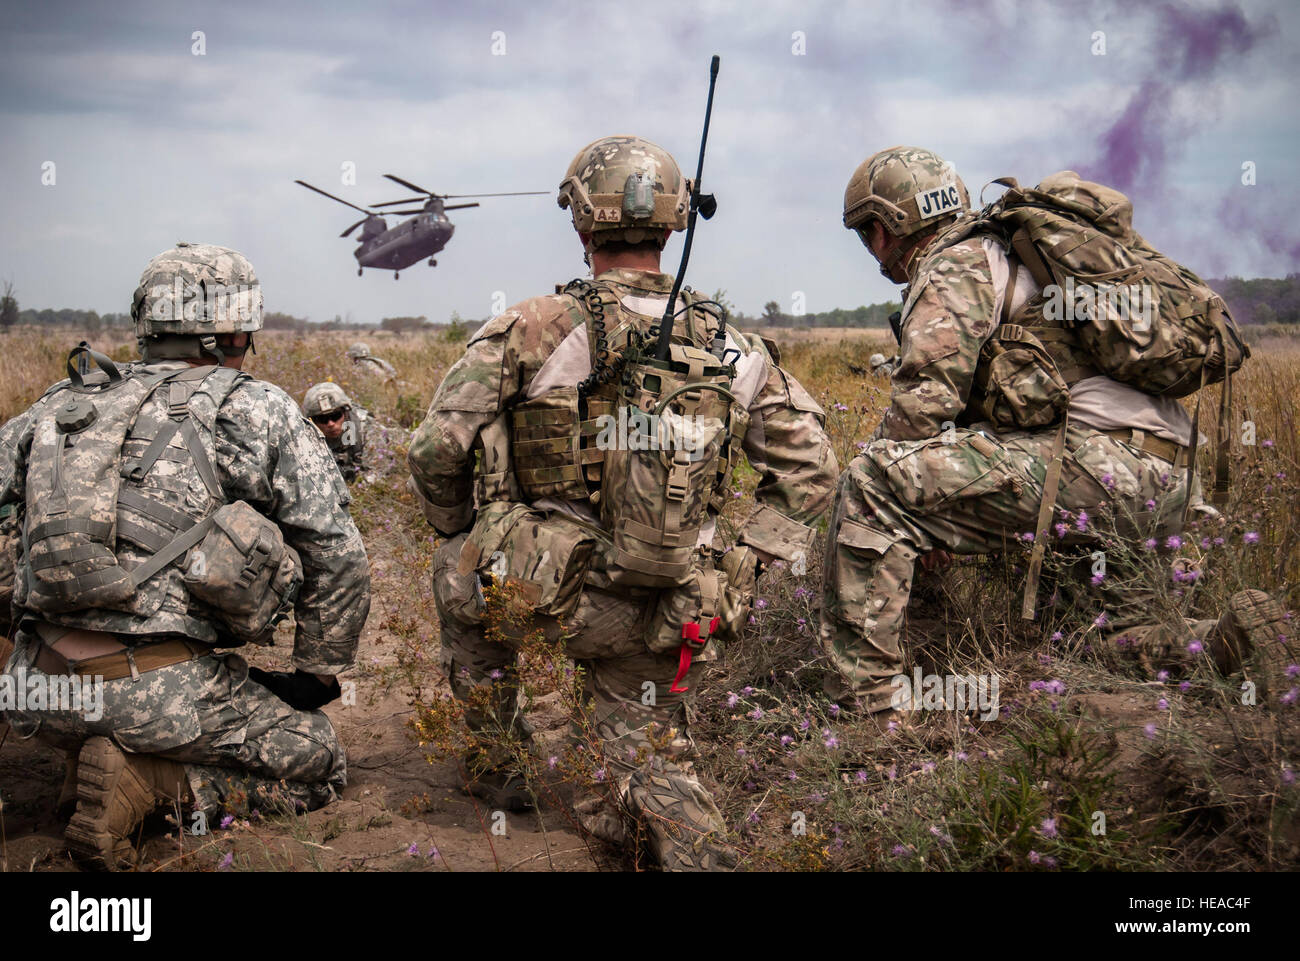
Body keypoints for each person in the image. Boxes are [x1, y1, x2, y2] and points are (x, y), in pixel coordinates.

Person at [408, 135, 837, 870]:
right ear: (673, 228)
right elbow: (815, 471)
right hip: (678, 605)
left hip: (552, 598)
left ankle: (499, 765)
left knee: (456, 566)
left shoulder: (532, 328)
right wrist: (742, 566)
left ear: (581, 227)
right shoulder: (734, 344)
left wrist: (467, 532)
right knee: (652, 758)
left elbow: (435, 452)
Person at [819, 146, 1287, 717]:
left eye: (870, 232)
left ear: (891, 224)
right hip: (1166, 479)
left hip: (1101, 469)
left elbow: (920, 411)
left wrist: (911, 507)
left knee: (873, 483)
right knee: (1097, 639)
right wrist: (932, 508)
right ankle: (1223, 641)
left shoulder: (956, 263)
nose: (873, 252)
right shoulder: (1014, 254)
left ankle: (870, 710)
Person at [0, 242, 370, 870]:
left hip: (32, 691)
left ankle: (83, 759)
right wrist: (316, 670)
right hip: (156, 691)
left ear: (147, 322)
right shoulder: (254, 407)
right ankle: (153, 788)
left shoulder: (61, 403)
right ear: (229, 329)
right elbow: (338, 554)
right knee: (320, 762)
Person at [302, 382, 370, 483]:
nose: (331, 424)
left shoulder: (365, 429)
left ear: (346, 412)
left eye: (335, 416)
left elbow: (377, 477)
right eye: (322, 419)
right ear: (312, 422)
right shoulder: (304, 438)